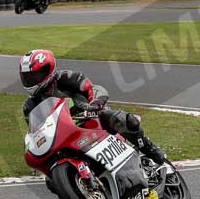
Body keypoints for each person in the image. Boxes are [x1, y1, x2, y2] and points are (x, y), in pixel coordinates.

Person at [19, 49, 167, 164]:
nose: (32, 80)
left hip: (90, 117)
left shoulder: (66, 78)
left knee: (122, 119)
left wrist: (94, 103)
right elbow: (36, 132)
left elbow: (93, 88)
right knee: (51, 181)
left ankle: (150, 149)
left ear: (49, 71)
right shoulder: (30, 106)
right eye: (27, 77)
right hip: (65, 134)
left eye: (36, 76)